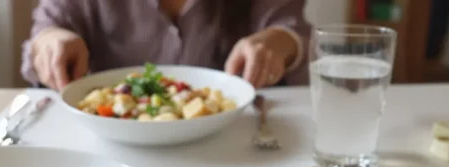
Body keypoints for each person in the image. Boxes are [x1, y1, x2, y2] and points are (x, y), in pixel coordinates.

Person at [21, 0, 311, 90]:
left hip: (231, 151)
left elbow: (291, 31)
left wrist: (280, 42)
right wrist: (49, 41)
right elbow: (44, 34)